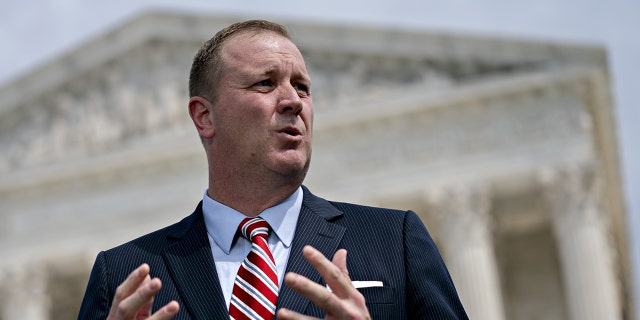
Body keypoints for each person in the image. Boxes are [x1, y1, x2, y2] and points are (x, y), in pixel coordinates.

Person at [78, 19, 468, 320]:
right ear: (204, 116)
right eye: (265, 83)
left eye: (302, 87)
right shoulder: (124, 275)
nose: (293, 101)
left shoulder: (393, 241)